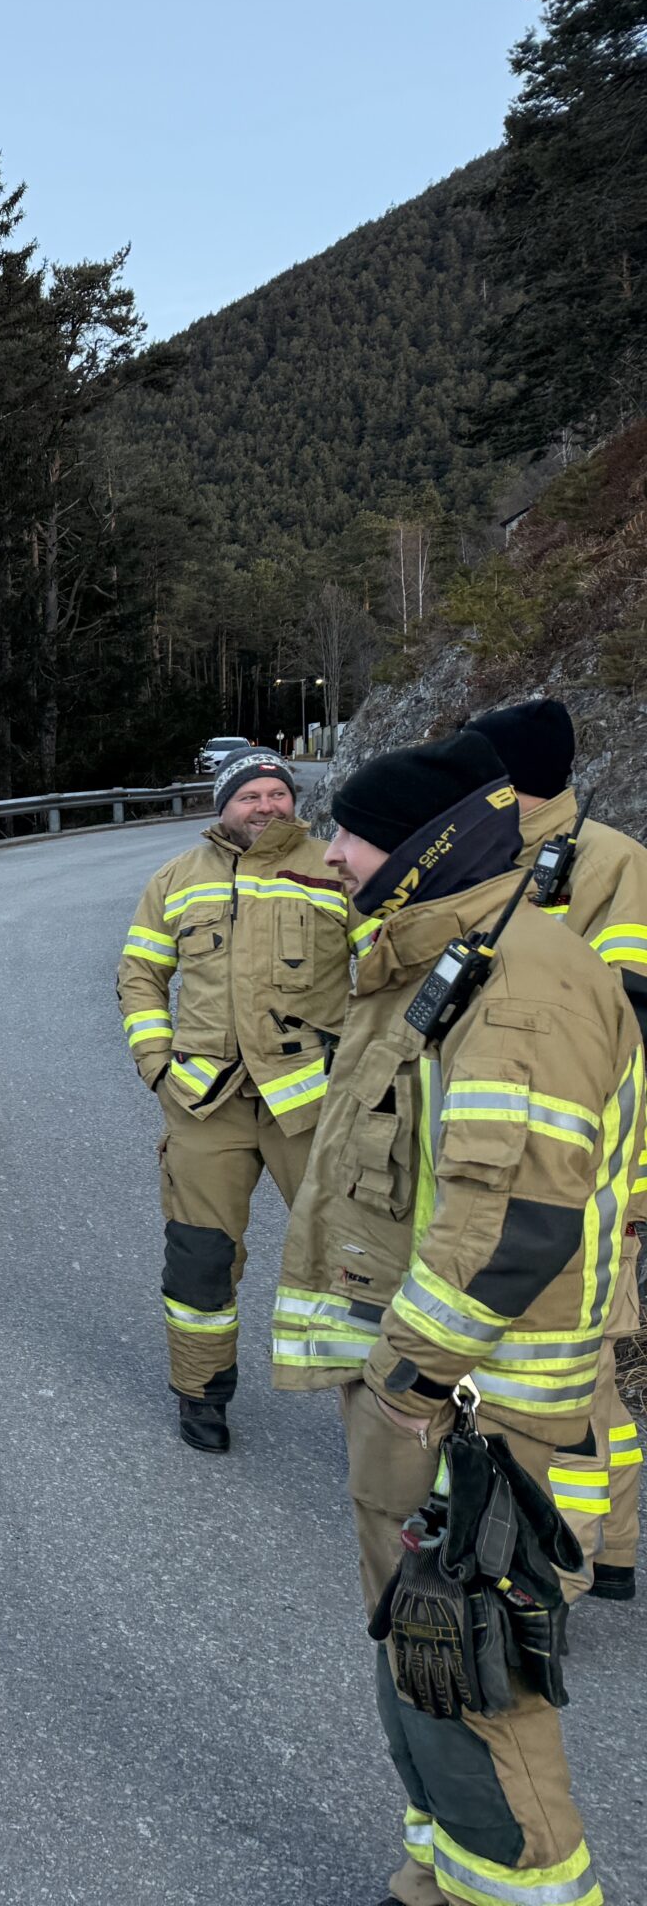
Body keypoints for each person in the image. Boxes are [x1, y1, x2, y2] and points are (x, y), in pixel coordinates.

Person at [294, 730, 639, 1906]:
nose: (329, 855)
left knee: (473, 1669)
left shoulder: (521, 990)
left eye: (350, 835)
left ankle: (526, 1890)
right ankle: (442, 1875)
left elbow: (513, 1227)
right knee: (422, 1655)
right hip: (434, 1391)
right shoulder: (444, 958)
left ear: (420, 850)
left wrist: (406, 1380)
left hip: (465, 1402)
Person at [115, 747, 357, 1453]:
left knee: (352, 1255)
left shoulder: (335, 866)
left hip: (312, 1103)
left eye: (276, 793)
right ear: (223, 805)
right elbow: (140, 974)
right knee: (200, 1258)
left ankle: (383, 1419)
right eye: (249, 795)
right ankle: (201, 1396)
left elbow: (387, 973)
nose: (266, 806)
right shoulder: (176, 879)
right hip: (204, 1101)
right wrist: (157, 1064)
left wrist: (366, 1071)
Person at [466, 697, 647, 1602]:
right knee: (577, 1364)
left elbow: (625, 1015)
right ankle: (609, 1548)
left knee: (577, 1367)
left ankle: (571, 1561)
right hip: (528, 1145)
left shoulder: (611, 862)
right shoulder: (498, 853)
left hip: (591, 1157)